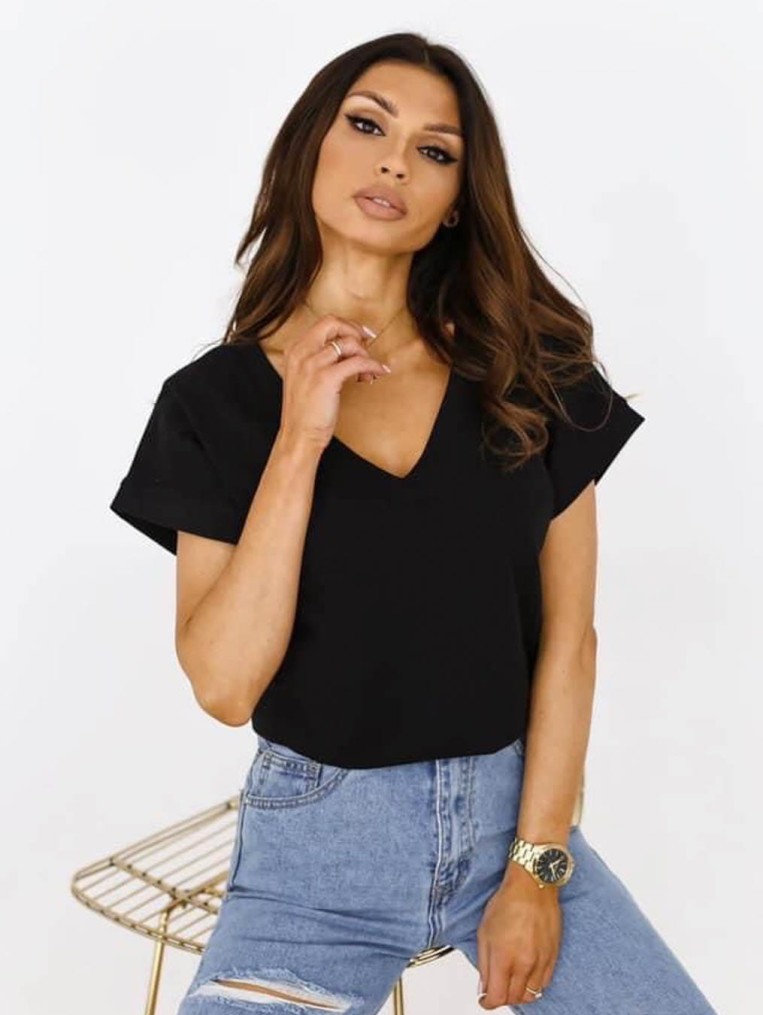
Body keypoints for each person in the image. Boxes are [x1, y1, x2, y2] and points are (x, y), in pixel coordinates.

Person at [109, 32, 717, 1015]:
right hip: (313, 873)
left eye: (434, 151)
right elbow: (224, 685)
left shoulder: (530, 373)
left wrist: (536, 869)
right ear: (311, 147)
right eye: (366, 125)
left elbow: (570, 640)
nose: (394, 161)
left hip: (508, 835)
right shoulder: (210, 405)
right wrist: (298, 440)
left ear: (455, 202)